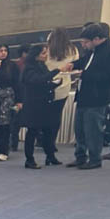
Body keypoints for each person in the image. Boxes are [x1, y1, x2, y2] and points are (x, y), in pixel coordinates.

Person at [65, 22, 110, 170]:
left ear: (97, 39)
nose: (83, 45)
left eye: (86, 42)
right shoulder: (93, 50)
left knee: (93, 130)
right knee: (79, 129)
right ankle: (80, 156)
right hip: (84, 95)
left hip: (97, 96)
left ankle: (94, 159)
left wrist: (85, 75)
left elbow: (108, 75)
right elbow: (85, 62)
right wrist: (74, 64)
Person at [21, 45, 62, 170]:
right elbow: (37, 81)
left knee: (49, 130)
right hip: (34, 105)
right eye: (43, 53)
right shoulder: (29, 68)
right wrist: (56, 71)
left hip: (45, 103)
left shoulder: (42, 66)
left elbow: (44, 83)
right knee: (32, 131)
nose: (46, 55)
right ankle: (29, 159)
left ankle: (50, 156)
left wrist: (54, 84)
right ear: (36, 55)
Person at [44, 28, 78, 166]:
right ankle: (51, 146)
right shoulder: (72, 49)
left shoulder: (47, 50)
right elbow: (75, 67)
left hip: (47, 85)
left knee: (45, 118)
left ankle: (45, 144)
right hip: (63, 86)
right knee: (56, 118)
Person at [10, 45, 31, 151]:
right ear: (22, 53)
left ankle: (14, 144)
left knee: (17, 121)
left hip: (26, 94)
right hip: (21, 94)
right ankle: (14, 143)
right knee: (16, 122)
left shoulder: (26, 64)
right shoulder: (17, 65)